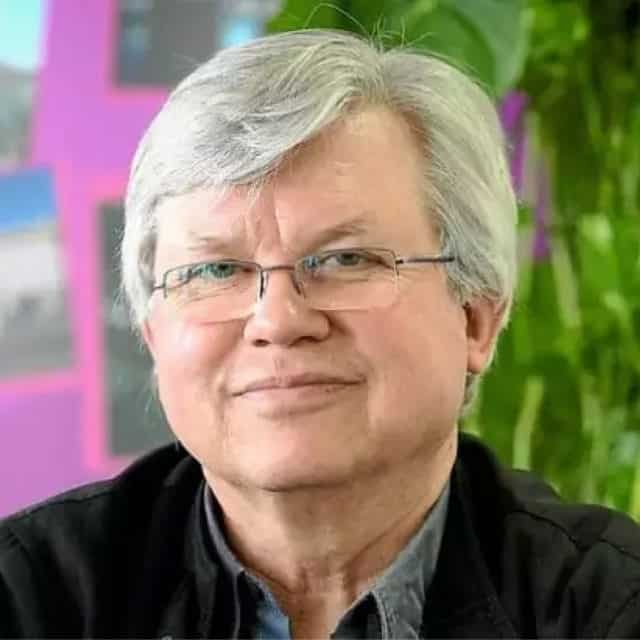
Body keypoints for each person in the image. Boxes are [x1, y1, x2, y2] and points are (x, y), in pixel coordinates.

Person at [2, 28, 640, 639]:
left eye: (345, 259)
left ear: (476, 317)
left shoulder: (608, 605)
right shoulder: (28, 596)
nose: (278, 321)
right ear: (153, 332)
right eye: (216, 270)